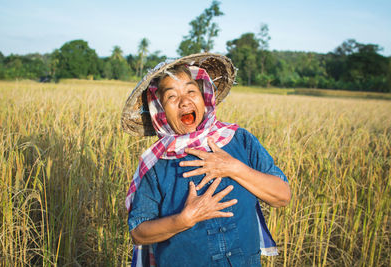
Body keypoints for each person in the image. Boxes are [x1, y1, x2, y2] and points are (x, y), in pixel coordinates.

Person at [122, 53, 291, 267]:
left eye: (191, 91)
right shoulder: (156, 164)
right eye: (172, 97)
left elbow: (282, 196)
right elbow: (138, 232)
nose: (184, 101)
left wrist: (233, 167)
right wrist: (183, 220)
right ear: (161, 111)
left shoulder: (240, 139)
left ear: (204, 97)